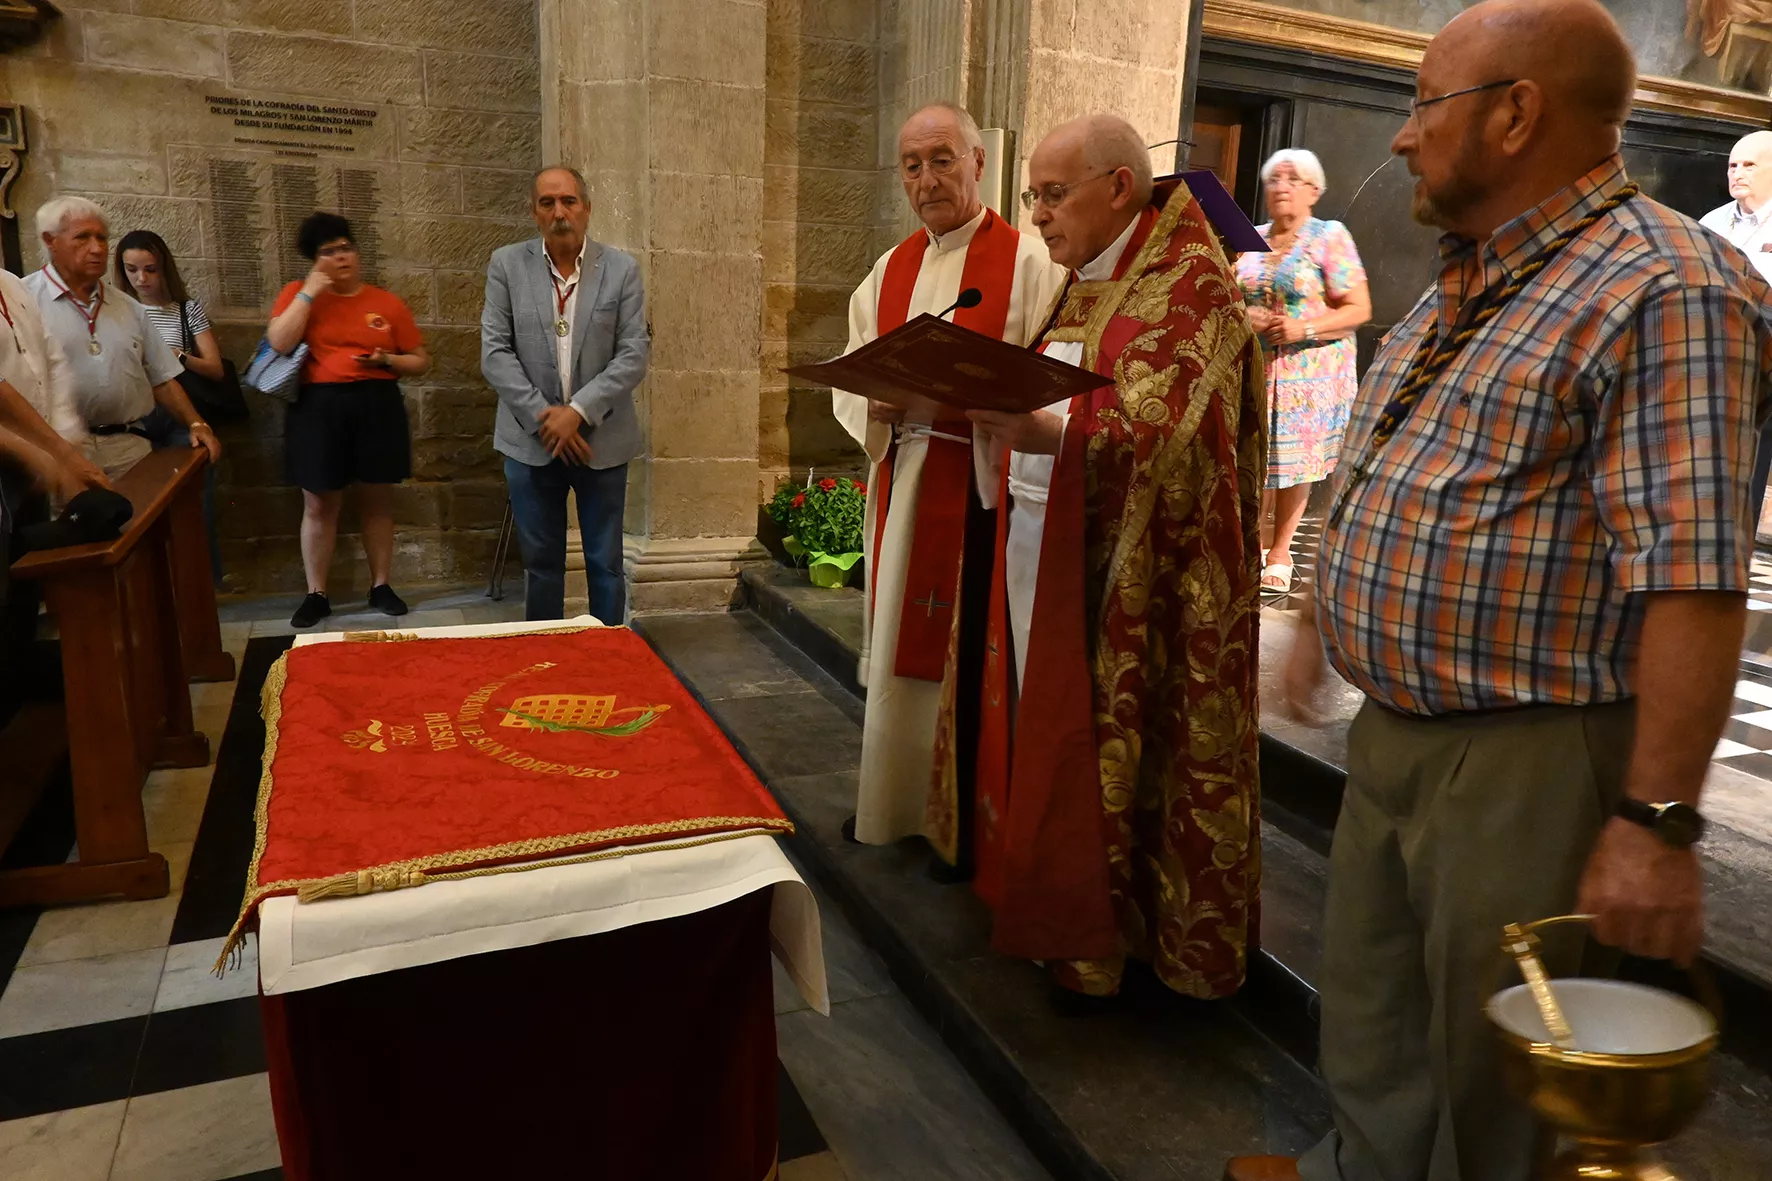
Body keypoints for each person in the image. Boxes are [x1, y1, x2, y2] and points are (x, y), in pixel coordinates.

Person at [1228, 3, 1771, 1179]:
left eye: (1422, 105)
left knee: (1495, 1086)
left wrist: (1654, 824)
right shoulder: (1464, 281)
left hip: (1530, 757)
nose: (1401, 139)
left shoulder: (1663, 283)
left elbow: (1690, 576)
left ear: (1517, 111)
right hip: (1401, 735)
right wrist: (1323, 624)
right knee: (1374, 1030)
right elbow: (1380, 468)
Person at [965, 114, 1264, 1004]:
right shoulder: (1088, 277)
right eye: (1032, 197)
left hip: (1144, 583)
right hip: (1042, 548)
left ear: (1119, 187)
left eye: (1053, 195)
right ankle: (1055, 911)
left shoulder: (1189, 286)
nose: (1040, 216)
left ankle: (1126, 941)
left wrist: (1049, 432)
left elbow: (1180, 443)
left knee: (1124, 741)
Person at [832, 102, 1065, 864]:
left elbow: (1055, 377)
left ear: (979, 163)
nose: (926, 179)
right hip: (906, 478)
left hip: (981, 489)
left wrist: (997, 413)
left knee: (968, 655)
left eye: (941, 160)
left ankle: (958, 824)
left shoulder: (1030, 263)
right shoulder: (888, 270)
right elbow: (853, 364)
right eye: (911, 165)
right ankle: (892, 804)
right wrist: (872, 397)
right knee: (902, 650)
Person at [482, 164, 647, 624]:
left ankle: (610, 656)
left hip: (603, 438)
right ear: (534, 213)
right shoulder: (506, 266)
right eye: (547, 203)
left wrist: (577, 411)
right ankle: (546, 663)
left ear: (587, 209)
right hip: (529, 441)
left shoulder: (621, 270)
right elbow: (495, 354)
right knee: (541, 567)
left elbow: (633, 354)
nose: (560, 212)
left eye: (569, 201)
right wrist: (546, 417)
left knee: (605, 565)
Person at [267, 212, 430, 629]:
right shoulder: (297, 293)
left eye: (346, 248)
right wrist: (308, 292)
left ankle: (381, 585)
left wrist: (386, 359)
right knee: (319, 502)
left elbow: (419, 359)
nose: (341, 257)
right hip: (318, 406)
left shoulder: (386, 302)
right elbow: (279, 343)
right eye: (328, 252)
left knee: (378, 498)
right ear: (314, 260)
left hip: (376, 401)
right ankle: (316, 593)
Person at [1233, 149, 1371, 595]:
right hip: (1255, 365)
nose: (1282, 186)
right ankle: (1250, 545)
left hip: (1310, 374)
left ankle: (1280, 552)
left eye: (1293, 179)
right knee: (1254, 458)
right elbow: (1230, 295)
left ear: (1314, 190)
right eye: (1274, 178)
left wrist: (1303, 326)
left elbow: (1360, 308)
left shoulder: (1330, 236)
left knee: (1295, 463)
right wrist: (1245, 315)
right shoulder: (1249, 237)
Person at [24, 197, 221, 479]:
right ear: (50, 241)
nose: (97, 248)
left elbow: (161, 378)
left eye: (102, 238)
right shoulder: (23, 300)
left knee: (143, 520)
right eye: (83, 237)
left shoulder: (130, 308)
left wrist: (196, 423)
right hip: (59, 451)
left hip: (128, 449)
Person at [115, 228, 227, 584]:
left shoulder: (185, 309)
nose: (141, 278)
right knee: (141, 503)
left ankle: (201, 581)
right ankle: (157, 583)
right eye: (132, 270)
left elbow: (215, 368)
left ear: (164, 268)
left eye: (150, 269)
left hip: (181, 414)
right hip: (137, 416)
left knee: (193, 501)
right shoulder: (119, 311)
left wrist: (177, 356)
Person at [1699, 130, 1772, 538]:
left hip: (1764, 346)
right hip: (1711, 340)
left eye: (1749, 165)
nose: (1737, 173)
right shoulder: (1712, 220)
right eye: (1732, 165)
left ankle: (1735, 542)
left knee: (1754, 448)